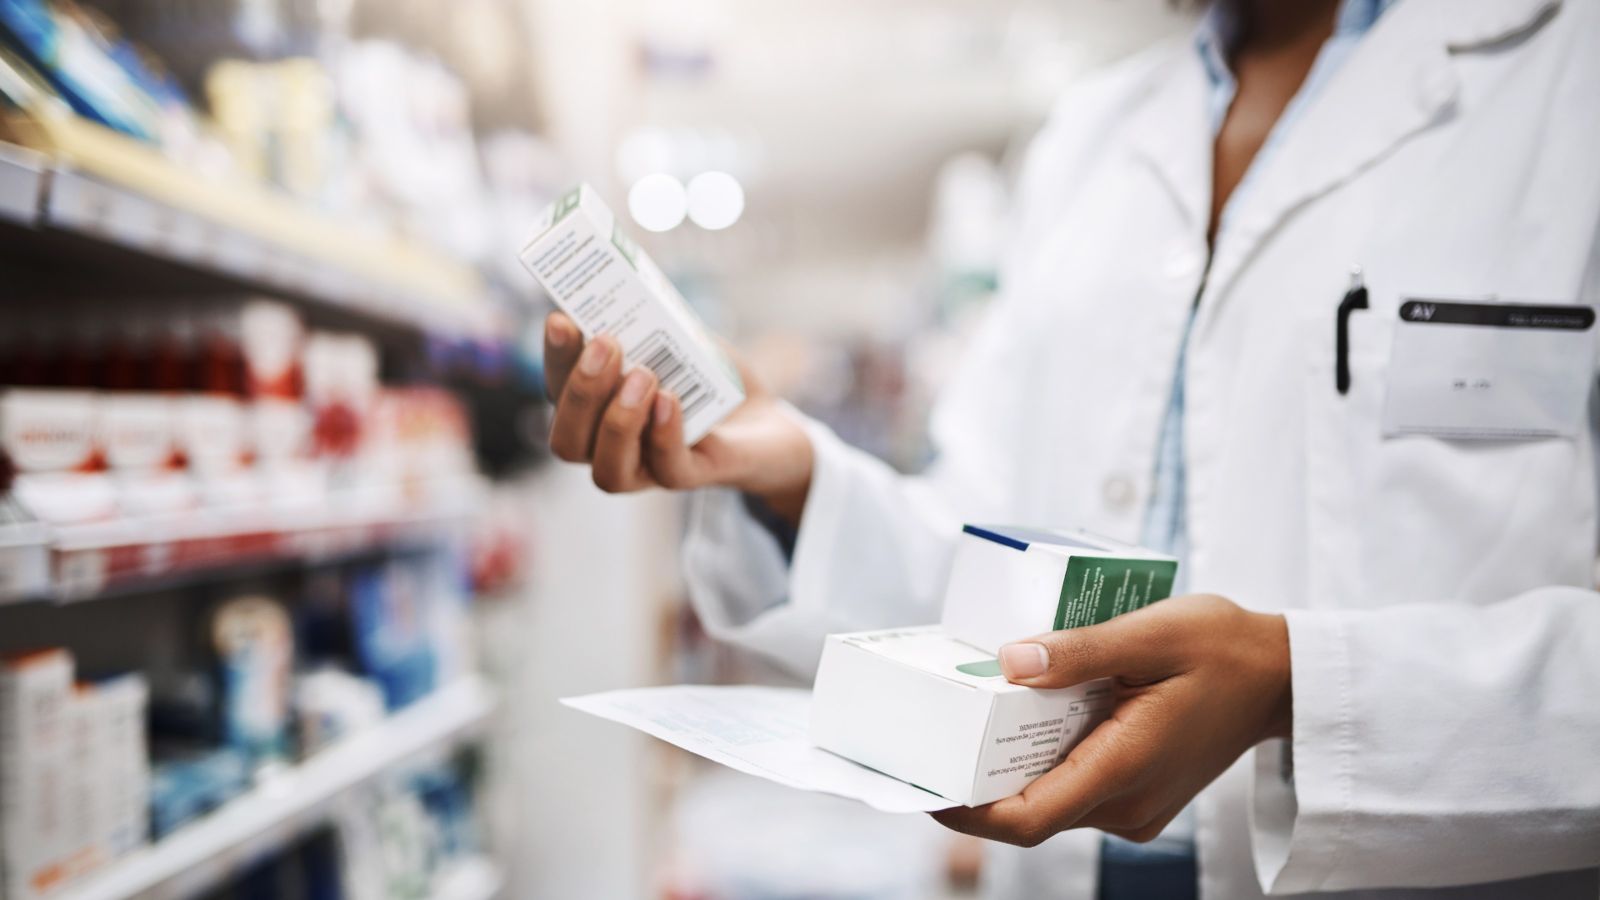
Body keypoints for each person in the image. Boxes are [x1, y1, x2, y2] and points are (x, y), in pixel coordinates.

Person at [541, 0, 1600, 896]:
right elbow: (988, 558)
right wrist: (798, 483)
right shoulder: (1088, 139)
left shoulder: (1566, 79)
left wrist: (1298, 688)